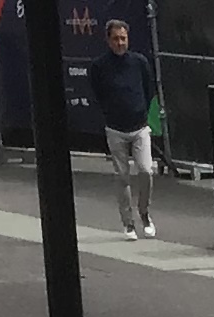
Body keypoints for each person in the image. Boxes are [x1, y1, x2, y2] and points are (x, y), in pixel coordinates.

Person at [87, 16, 158, 240]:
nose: (120, 43)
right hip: (115, 129)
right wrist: (110, 113)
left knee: (146, 171)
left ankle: (144, 214)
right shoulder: (99, 66)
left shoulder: (139, 62)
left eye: (123, 38)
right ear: (108, 40)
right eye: (116, 39)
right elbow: (97, 94)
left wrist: (141, 112)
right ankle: (128, 224)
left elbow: (148, 89)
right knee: (122, 176)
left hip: (139, 127)